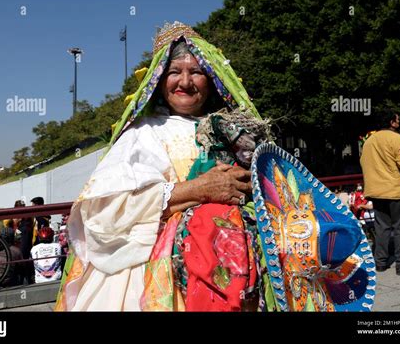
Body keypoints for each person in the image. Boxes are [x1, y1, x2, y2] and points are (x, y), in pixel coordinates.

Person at [55, 22, 373, 312]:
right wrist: (198, 189)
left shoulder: (232, 128)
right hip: (156, 274)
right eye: (174, 72)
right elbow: (103, 212)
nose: (185, 82)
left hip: (243, 271)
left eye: (196, 72)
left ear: (212, 79)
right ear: (158, 79)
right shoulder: (141, 133)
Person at [360, 109, 400, 275]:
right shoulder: (397, 139)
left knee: (382, 227)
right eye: (397, 120)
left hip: (376, 191)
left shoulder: (369, 141)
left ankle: (380, 262)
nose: (399, 122)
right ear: (392, 122)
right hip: (397, 191)